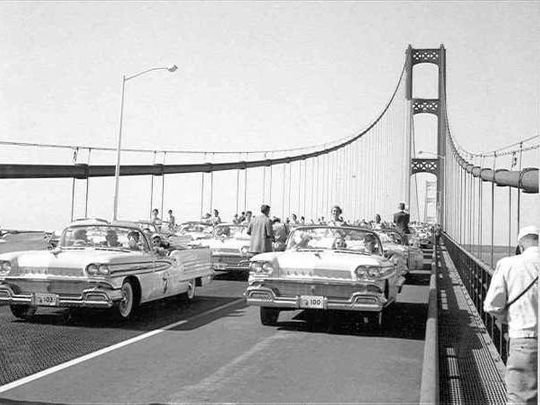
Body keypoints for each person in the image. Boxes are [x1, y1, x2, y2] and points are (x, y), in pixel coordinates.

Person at [484, 225, 539, 404]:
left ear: (520, 247)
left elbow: (491, 305)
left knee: (520, 401)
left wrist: (507, 319)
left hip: (524, 343)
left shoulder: (509, 264)